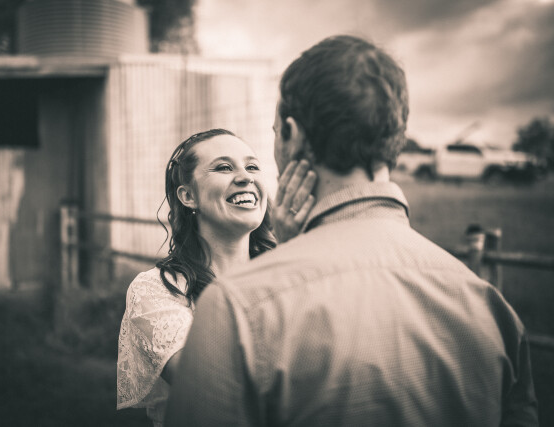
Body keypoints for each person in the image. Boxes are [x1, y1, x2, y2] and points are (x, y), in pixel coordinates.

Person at [165, 35, 539, 426]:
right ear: (394, 137)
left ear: (293, 135)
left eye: (275, 133)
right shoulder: (491, 309)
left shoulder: (240, 309)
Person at [116, 128, 316, 427]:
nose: (245, 177)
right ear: (188, 196)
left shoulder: (292, 270)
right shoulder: (155, 290)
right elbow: (212, 387)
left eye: (252, 167)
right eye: (224, 167)